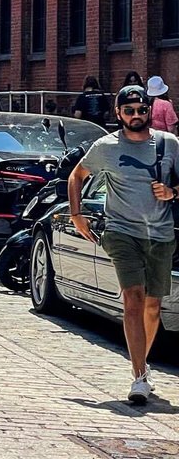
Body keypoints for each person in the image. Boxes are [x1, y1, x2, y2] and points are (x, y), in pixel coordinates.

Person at [67, 84, 179, 405]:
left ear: (148, 111)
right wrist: (77, 214)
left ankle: (142, 364)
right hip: (121, 232)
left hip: (160, 234)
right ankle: (139, 375)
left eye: (141, 110)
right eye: (128, 111)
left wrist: (172, 193)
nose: (135, 116)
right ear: (118, 113)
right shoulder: (106, 147)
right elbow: (77, 176)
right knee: (133, 297)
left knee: (153, 305)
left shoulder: (169, 144)